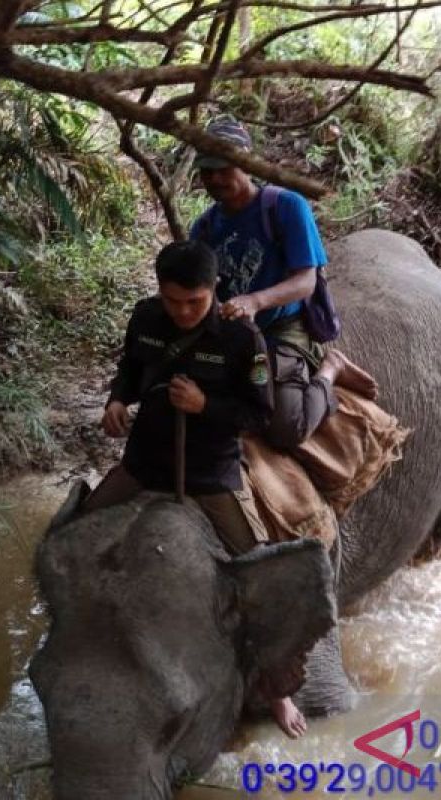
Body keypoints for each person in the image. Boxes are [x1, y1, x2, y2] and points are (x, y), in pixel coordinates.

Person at [82, 239, 309, 738]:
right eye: (172, 301)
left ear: (213, 291)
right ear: (159, 292)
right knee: (78, 537)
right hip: (145, 462)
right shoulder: (145, 318)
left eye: (195, 302)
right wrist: (117, 402)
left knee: (256, 573)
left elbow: (259, 413)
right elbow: (131, 370)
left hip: (209, 472)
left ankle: (277, 687)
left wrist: (206, 404)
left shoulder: (241, 338)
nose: (182, 312)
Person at [190, 116, 377, 450]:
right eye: (207, 170)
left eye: (224, 167)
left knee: (286, 430)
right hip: (231, 334)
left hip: (281, 328)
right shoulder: (203, 228)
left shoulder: (285, 207)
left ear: (247, 163)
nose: (215, 178)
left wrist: (255, 301)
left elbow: (306, 281)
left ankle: (330, 370)